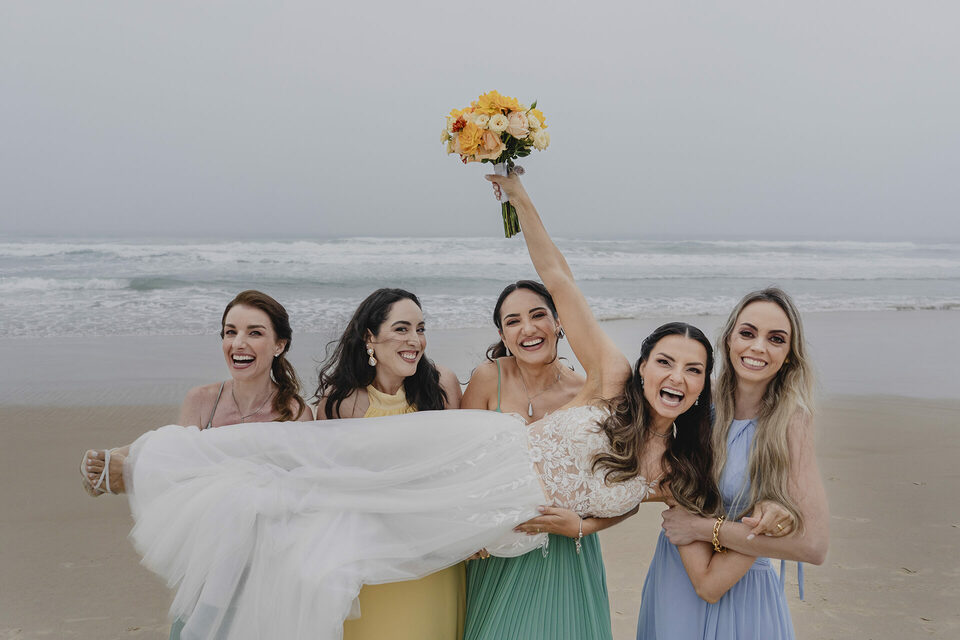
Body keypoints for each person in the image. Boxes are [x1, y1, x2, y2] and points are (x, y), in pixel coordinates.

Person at [80, 172, 739, 639]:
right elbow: (559, 280)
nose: (674, 378)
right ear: (644, 365)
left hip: (497, 526)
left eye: (691, 371)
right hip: (478, 454)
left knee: (355, 537)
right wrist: (520, 197)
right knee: (323, 464)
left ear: (703, 385)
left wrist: (584, 527)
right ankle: (149, 464)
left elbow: (640, 507)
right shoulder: (611, 381)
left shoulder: (674, 467)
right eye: (665, 362)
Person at [636, 288, 830, 640]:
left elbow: (813, 546)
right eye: (747, 333)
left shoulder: (792, 421)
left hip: (745, 587)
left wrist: (703, 528)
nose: (758, 347)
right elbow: (651, 460)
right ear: (728, 339)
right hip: (677, 576)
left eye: (775, 339)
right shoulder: (697, 398)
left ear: (789, 354)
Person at [461, 280, 635, 640]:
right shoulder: (487, 378)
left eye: (538, 315)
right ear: (502, 334)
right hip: (499, 550)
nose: (527, 328)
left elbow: (629, 491)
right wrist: (469, 531)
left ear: (558, 322)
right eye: (513, 321)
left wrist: (583, 527)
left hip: (566, 549)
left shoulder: (586, 392)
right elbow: (463, 467)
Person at [313, 287, 463, 640]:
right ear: (370, 337)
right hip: (375, 561)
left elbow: (461, 469)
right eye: (401, 329)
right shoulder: (341, 404)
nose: (415, 340)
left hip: (436, 557)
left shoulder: (442, 384)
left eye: (420, 329)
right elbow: (335, 494)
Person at [81, 289, 311, 497]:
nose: (238, 343)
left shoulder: (295, 414)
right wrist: (109, 458)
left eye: (255, 333)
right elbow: (175, 456)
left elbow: (298, 489)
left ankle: (127, 474)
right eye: (231, 332)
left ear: (279, 345)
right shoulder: (202, 400)